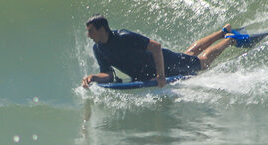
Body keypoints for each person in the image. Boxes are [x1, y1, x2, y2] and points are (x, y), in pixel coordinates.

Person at [81, 15, 236, 89]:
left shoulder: (123, 37)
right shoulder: (98, 49)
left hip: (165, 62)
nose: (88, 35)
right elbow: (108, 74)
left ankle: (229, 39)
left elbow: (155, 47)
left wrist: (161, 75)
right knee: (189, 54)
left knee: (203, 63)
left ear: (102, 29)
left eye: (91, 31)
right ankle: (222, 32)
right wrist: (92, 77)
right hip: (144, 74)